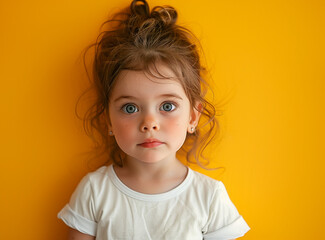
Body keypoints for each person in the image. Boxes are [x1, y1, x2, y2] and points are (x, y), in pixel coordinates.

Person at [58, 0, 250, 239]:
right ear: (108, 119)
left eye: (167, 106)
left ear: (192, 116)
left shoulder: (208, 196)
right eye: (130, 108)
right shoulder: (95, 191)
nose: (149, 123)